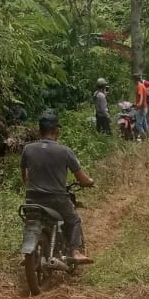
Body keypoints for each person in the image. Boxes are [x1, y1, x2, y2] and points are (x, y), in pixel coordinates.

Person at [20, 111, 94, 263]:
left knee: (32, 220)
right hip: (57, 199)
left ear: (39, 130)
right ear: (57, 130)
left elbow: (25, 176)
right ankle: (75, 251)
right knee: (74, 220)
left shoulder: (28, 149)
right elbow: (82, 178)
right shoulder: (65, 151)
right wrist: (89, 182)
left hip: (32, 198)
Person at [133, 72, 149, 140]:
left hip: (141, 108)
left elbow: (141, 96)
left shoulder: (139, 86)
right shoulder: (142, 85)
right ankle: (148, 135)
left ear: (134, 79)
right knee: (144, 123)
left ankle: (144, 138)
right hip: (144, 107)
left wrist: (139, 105)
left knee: (138, 124)